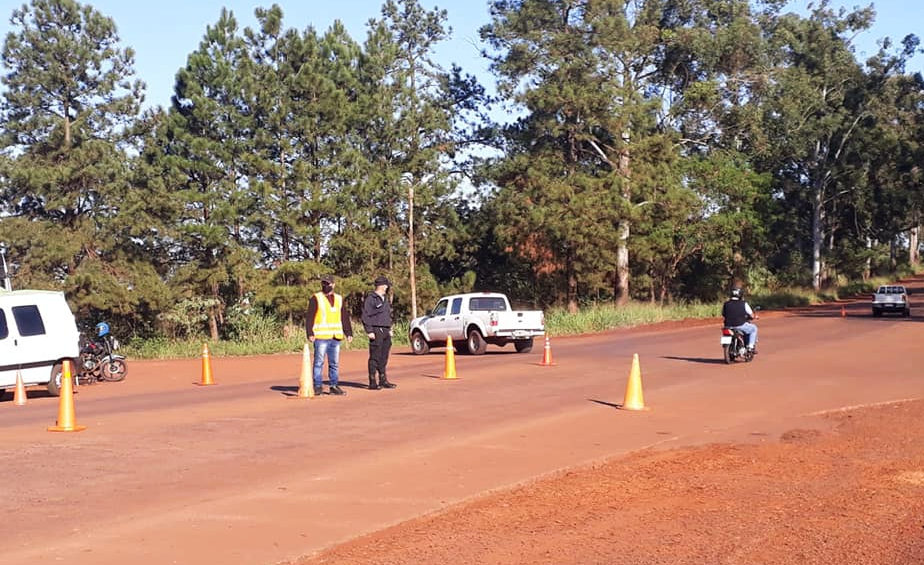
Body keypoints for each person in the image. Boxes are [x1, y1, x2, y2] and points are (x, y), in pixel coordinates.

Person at [305, 274, 353, 395]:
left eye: (328, 283)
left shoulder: (338, 298)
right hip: (320, 336)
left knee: (334, 364)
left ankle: (334, 386)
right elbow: (310, 317)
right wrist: (310, 332)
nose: (325, 285)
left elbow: (344, 316)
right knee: (318, 363)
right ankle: (317, 386)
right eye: (323, 283)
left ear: (333, 284)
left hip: (335, 336)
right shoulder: (316, 298)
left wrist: (348, 332)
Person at [361, 276, 397, 390]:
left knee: (384, 356)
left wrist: (390, 328)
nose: (387, 287)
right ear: (381, 285)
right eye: (386, 285)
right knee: (375, 356)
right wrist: (369, 330)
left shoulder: (385, 298)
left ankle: (383, 380)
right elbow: (365, 315)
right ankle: (372, 381)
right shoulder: (371, 298)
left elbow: (388, 315)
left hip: (386, 329)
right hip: (376, 330)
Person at [722, 287, 758, 353]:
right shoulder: (743, 303)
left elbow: (724, 314)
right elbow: (751, 315)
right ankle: (750, 346)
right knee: (754, 328)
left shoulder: (726, 304)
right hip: (740, 325)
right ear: (740, 294)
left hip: (728, 326)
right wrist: (754, 316)